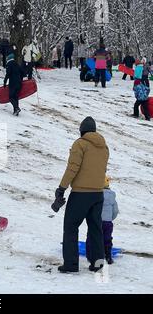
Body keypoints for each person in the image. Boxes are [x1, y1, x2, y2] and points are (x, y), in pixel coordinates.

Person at [52, 116, 109, 273]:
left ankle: (70, 264)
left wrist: (62, 188)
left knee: (70, 227)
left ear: (82, 130)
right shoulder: (104, 147)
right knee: (96, 228)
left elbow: (72, 168)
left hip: (81, 194)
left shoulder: (80, 144)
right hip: (98, 193)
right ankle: (97, 263)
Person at [86, 176, 118, 265]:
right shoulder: (112, 196)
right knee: (107, 239)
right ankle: (108, 256)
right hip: (107, 223)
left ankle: (90, 256)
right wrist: (110, 219)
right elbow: (115, 211)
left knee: (91, 238)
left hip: (96, 221)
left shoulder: (95, 195)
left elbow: (90, 208)